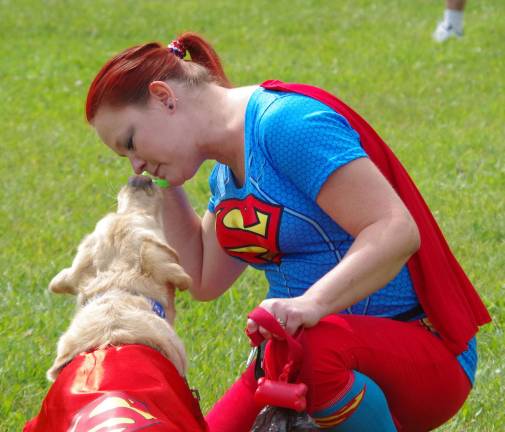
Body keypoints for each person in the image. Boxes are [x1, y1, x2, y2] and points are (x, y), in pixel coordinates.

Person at [85, 32, 490, 431]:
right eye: (127, 156)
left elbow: (395, 230)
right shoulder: (225, 173)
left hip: (419, 350)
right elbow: (204, 279)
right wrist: (163, 186)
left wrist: (310, 304)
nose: (135, 164)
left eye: (132, 142)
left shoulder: (285, 124)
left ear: (164, 97)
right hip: (296, 359)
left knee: (317, 351)